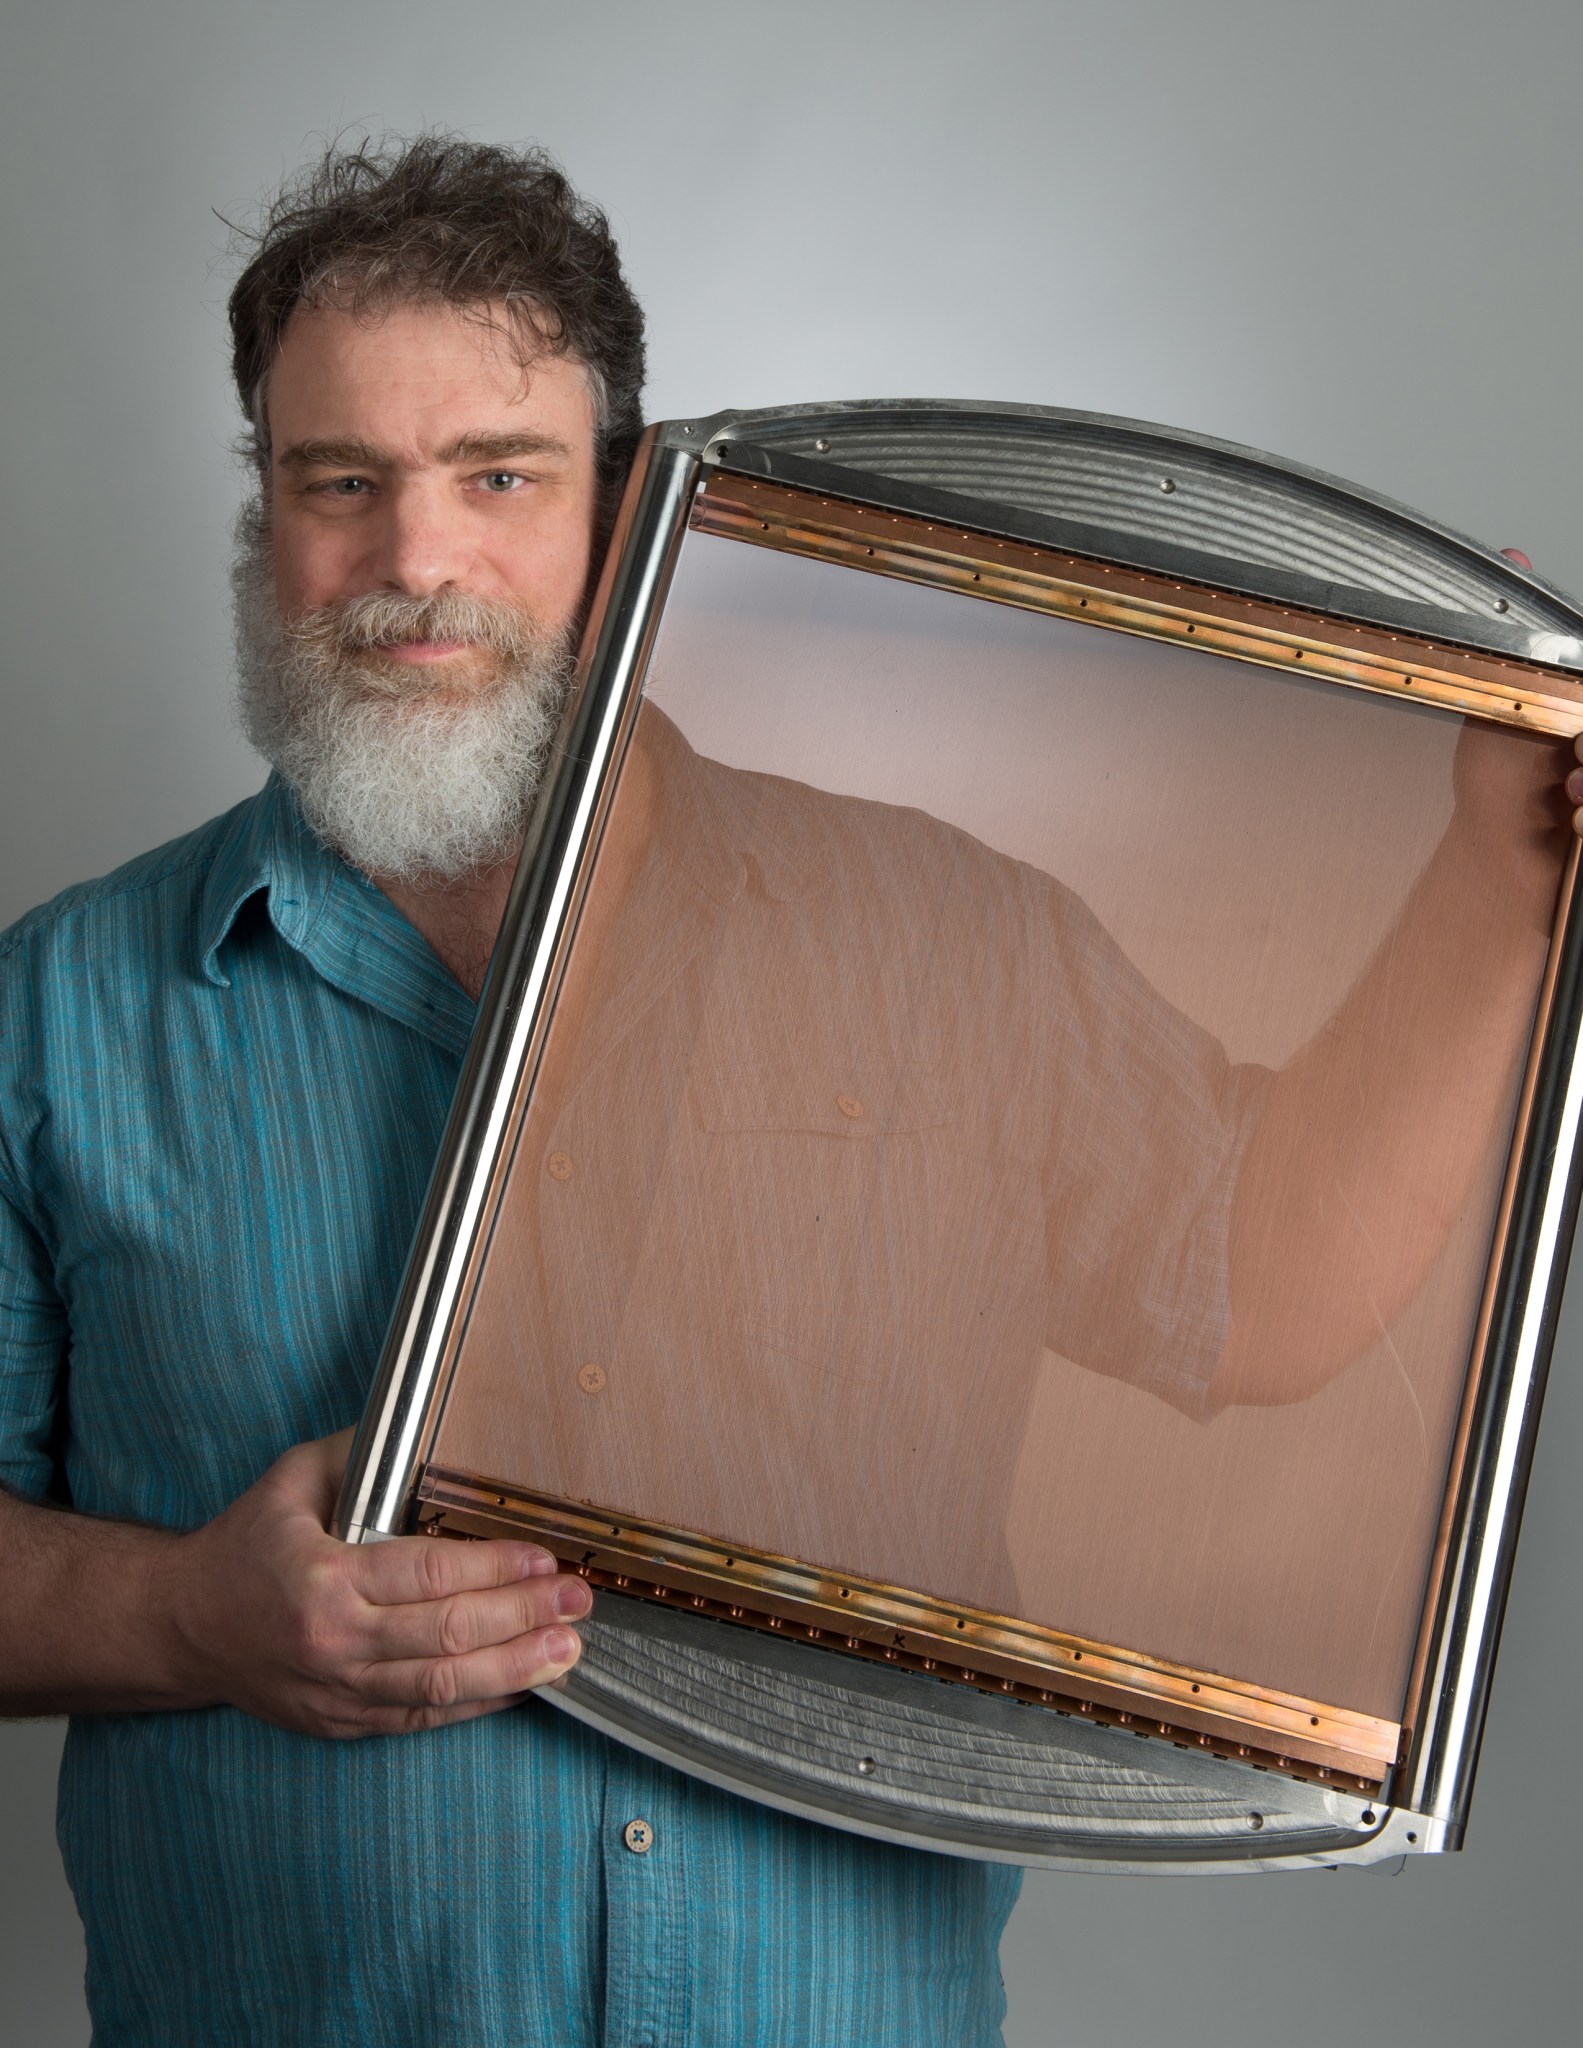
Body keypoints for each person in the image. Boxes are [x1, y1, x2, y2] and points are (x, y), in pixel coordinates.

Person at [0, 131, 1575, 2045]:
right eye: (344, 484)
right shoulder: (61, 1007)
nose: (417, 564)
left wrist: (1503, 873)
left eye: (500, 475)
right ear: (268, 516)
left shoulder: (949, 934)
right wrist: (184, 1620)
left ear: (630, 507)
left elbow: (1267, 1284)